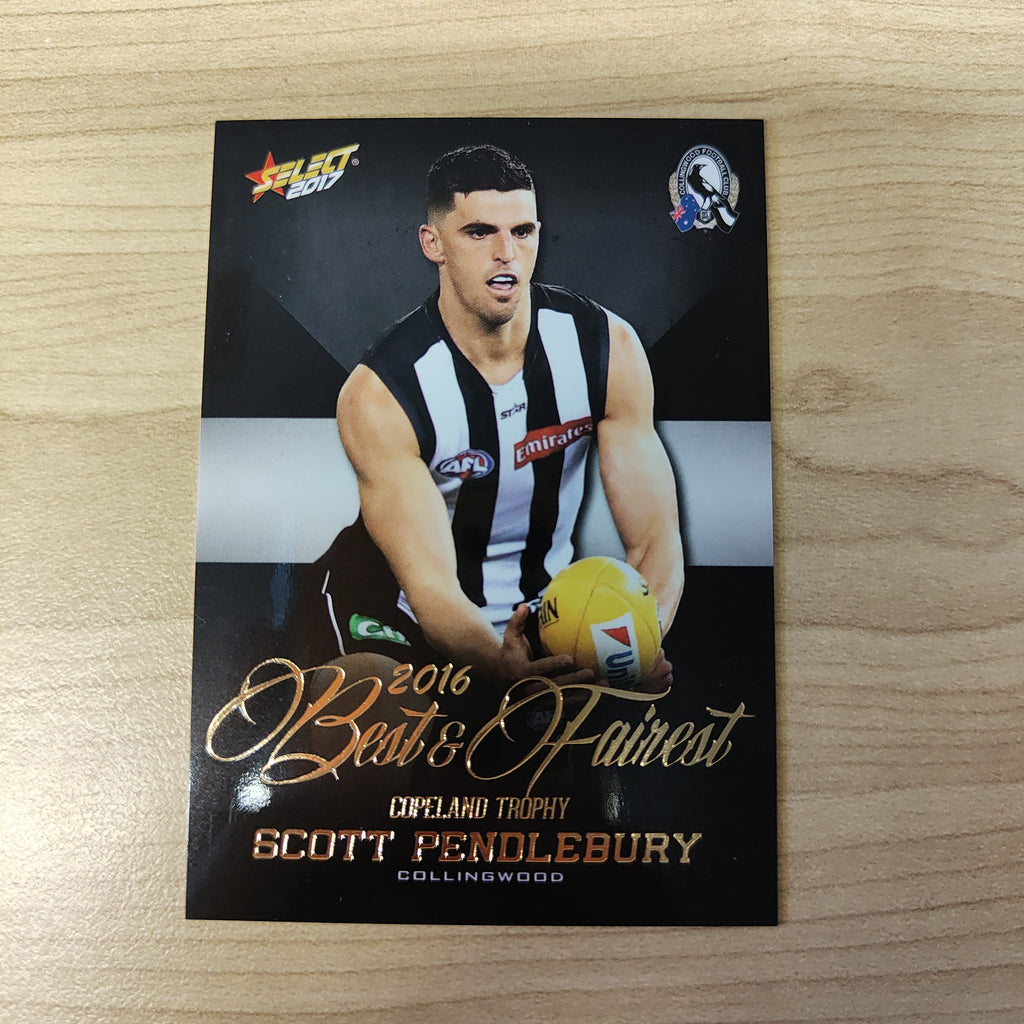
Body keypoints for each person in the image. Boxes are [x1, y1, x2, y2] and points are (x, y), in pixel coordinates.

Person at [319, 144, 683, 688]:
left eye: (522, 231)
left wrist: (636, 646)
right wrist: (503, 672)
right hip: (401, 622)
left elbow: (656, 540)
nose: (506, 253)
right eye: (479, 232)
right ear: (433, 243)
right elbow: (432, 589)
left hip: (544, 625)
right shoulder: (382, 393)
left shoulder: (607, 350)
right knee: (372, 696)